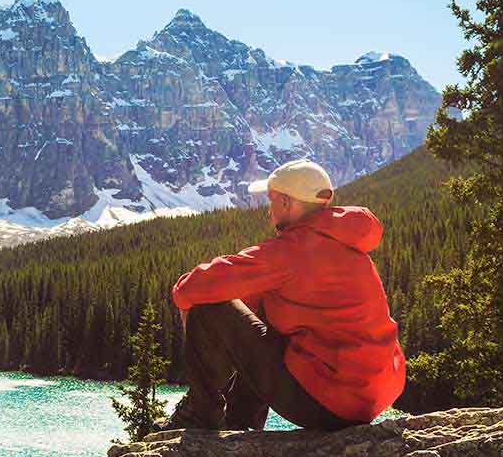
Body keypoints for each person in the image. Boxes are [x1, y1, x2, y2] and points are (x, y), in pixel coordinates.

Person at [153, 158, 405, 433]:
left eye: (272, 200)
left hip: (328, 404)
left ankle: (199, 416)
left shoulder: (292, 250)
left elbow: (194, 287)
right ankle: (241, 421)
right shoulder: (347, 244)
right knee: (267, 311)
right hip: (368, 399)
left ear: (287, 203)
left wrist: (189, 309)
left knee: (207, 307)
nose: (268, 210)